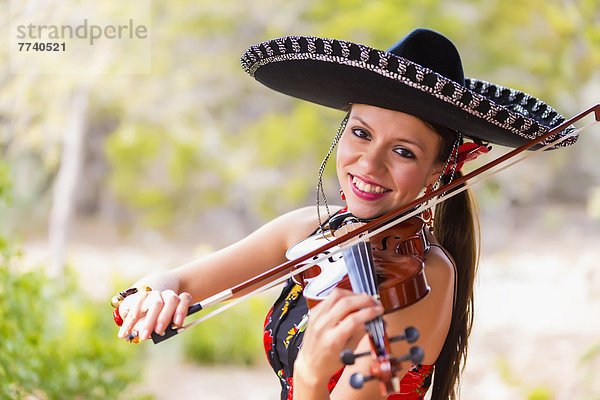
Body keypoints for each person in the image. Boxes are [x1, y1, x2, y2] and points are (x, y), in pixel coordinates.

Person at [111, 28, 576, 399]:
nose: (369, 164)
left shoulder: (428, 279)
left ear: (441, 170)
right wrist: (151, 296)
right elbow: (175, 280)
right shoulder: (311, 231)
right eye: (360, 133)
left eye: (404, 151)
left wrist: (313, 376)